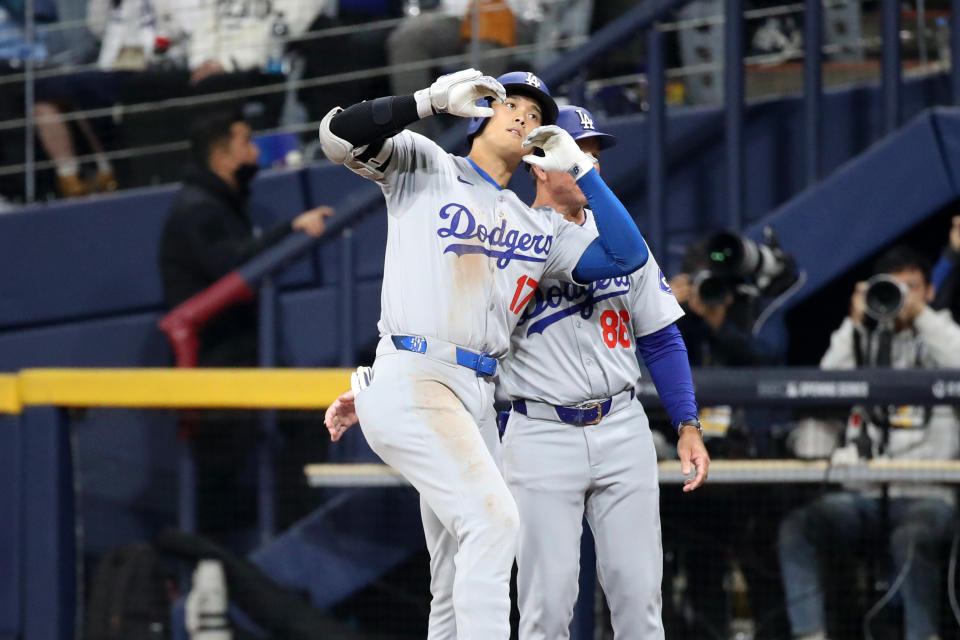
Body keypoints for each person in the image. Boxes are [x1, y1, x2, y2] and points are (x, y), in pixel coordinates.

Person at [318, 68, 649, 638]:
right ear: (477, 111)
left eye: (537, 114)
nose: (523, 114)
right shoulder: (426, 165)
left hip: (475, 397)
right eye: (508, 102)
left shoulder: (539, 227)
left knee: (452, 570)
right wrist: (428, 101)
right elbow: (335, 134)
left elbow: (627, 257)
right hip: (417, 374)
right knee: (494, 525)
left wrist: (581, 172)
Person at [497, 105, 710, 639]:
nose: (590, 164)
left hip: (621, 424)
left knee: (640, 604)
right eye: (576, 155)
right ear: (540, 165)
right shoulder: (516, 235)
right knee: (547, 609)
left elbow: (661, 338)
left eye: (593, 155)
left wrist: (687, 423)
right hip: (541, 432)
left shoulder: (616, 230)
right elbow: (625, 254)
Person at [159, 110, 332, 544]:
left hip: (237, 356)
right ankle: (211, 567)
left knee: (301, 425)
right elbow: (233, 268)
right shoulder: (197, 210)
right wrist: (289, 229)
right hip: (216, 365)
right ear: (222, 155)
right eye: (247, 142)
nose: (256, 151)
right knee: (220, 477)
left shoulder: (219, 203)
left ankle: (297, 533)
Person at [778, 246, 960, 640]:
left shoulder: (943, 331)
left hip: (927, 494)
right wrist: (854, 321)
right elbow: (822, 386)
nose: (901, 296)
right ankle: (811, 635)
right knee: (799, 528)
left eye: (911, 288)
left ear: (929, 292)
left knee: (911, 537)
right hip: (863, 495)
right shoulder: (863, 337)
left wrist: (920, 317)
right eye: (891, 288)